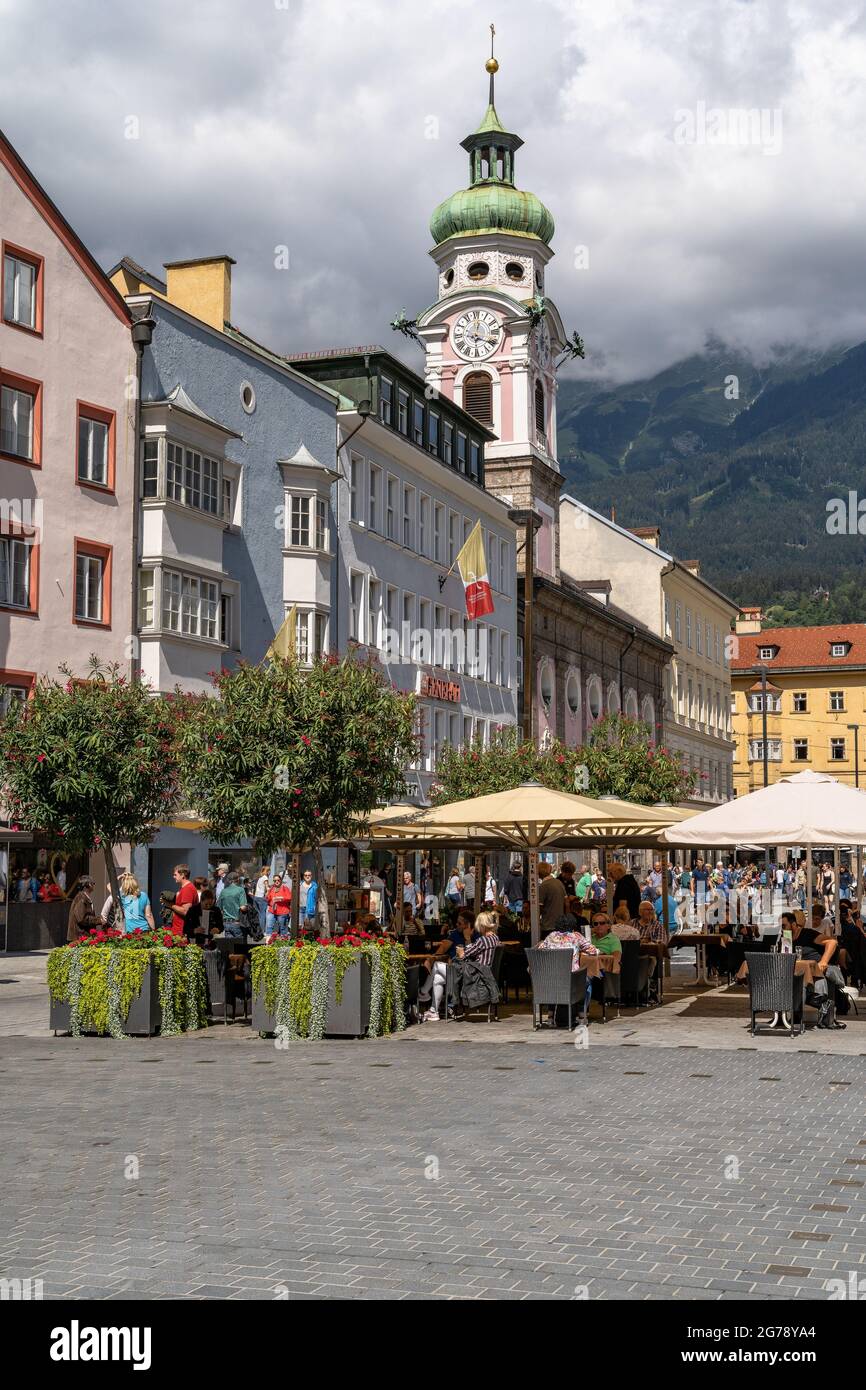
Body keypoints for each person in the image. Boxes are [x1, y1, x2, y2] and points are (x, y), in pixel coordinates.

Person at [421, 908, 476, 1022]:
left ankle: (423, 992)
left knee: (436, 966)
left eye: (459, 923)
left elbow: (471, 958)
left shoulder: (476, 936)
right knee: (437, 978)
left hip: (467, 974)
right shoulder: (455, 934)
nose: (456, 925)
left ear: (467, 925)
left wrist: (467, 939)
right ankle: (434, 1011)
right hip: (456, 972)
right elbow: (443, 948)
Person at [66, 876, 100, 942]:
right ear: (88, 884)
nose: (94, 885)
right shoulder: (81, 898)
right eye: (93, 883)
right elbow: (82, 919)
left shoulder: (84, 897)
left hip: (83, 936)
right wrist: (98, 920)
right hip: (79, 937)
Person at [170, 864, 200, 938]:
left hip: (182, 931)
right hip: (180, 930)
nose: (173, 877)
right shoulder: (185, 888)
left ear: (182, 875)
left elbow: (185, 911)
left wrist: (170, 905)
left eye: (175, 875)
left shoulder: (187, 889)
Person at [219, 871, 249, 940]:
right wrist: (248, 907)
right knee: (239, 945)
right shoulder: (240, 890)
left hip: (226, 923)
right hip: (236, 922)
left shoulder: (223, 891)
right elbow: (243, 907)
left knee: (230, 945)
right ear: (238, 879)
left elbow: (219, 908)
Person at [538, 861, 567, 933]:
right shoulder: (559, 883)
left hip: (548, 925)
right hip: (560, 925)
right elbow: (567, 903)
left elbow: (539, 908)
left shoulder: (543, 886)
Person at [254, 865, 270, 935]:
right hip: (261, 897)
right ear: (267, 871)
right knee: (263, 915)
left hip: (256, 897)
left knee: (259, 914)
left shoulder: (260, 878)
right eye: (269, 871)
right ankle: (262, 931)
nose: (269, 872)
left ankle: (258, 930)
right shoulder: (265, 878)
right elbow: (267, 888)